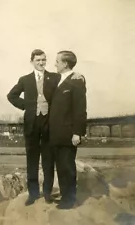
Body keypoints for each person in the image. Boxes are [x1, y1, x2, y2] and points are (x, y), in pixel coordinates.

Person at [7, 49, 60, 206]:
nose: (41, 63)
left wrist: (78, 76)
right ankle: (33, 194)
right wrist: (28, 106)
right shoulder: (25, 80)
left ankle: (48, 193)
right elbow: (11, 96)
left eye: (43, 60)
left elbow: (67, 84)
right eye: (38, 60)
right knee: (32, 160)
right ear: (32, 62)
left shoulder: (55, 78)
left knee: (49, 160)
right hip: (31, 125)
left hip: (49, 124)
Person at [49, 50, 87, 209]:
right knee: (61, 166)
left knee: (67, 166)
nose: (55, 64)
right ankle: (65, 196)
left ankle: (69, 200)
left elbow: (80, 109)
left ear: (65, 63)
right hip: (56, 133)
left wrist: (78, 132)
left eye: (57, 61)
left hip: (68, 133)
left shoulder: (77, 81)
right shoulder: (58, 78)